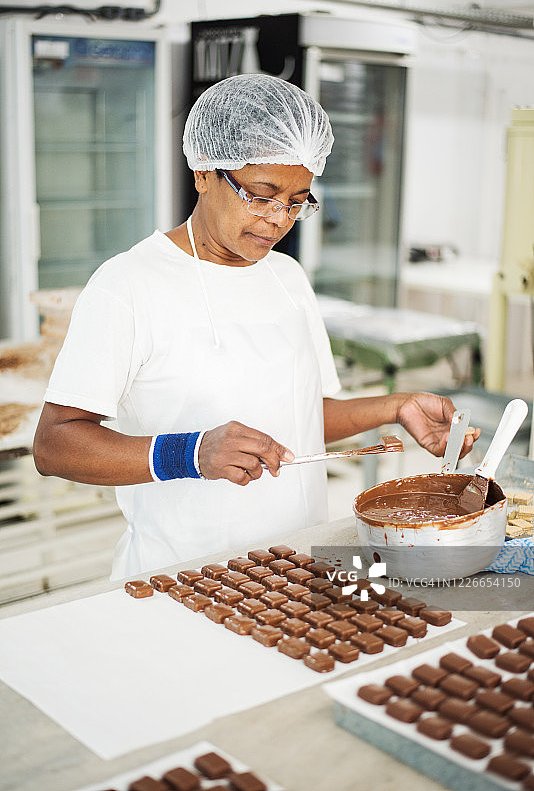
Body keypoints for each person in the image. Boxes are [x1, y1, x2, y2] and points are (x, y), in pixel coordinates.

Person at [33, 74, 479, 579]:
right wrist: (191, 453)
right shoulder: (129, 285)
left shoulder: (287, 278)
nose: (276, 220)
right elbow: (54, 444)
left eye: (296, 201)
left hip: (293, 563)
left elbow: (299, 415)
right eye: (260, 194)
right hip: (180, 574)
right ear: (204, 172)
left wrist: (394, 407)